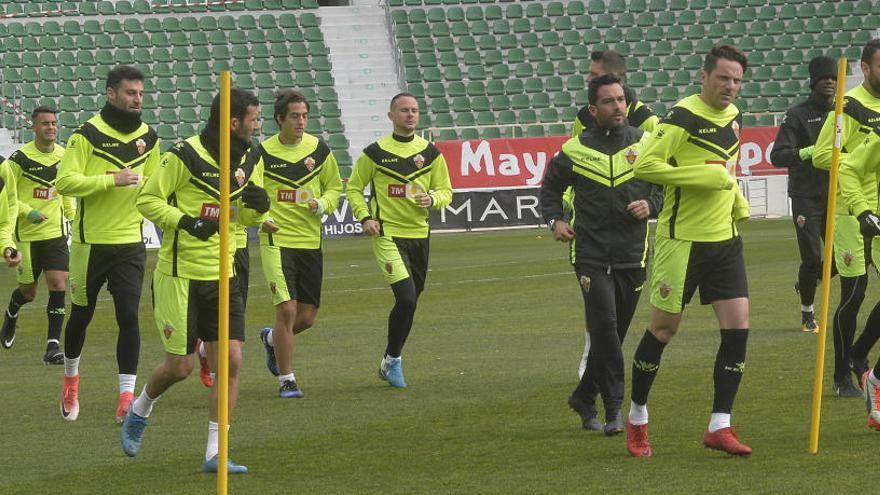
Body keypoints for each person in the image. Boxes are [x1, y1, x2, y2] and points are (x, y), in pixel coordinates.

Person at [120, 88, 268, 473]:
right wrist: (187, 222)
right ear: (234, 122)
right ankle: (141, 406)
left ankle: (215, 453)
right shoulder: (183, 155)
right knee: (181, 367)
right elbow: (148, 201)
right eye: (254, 118)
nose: (258, 125)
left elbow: (241, 219)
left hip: (224, 274)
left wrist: (257, 208)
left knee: (231, 361)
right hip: (179, 277)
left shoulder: (252, 157)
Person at [624, 45, 752, 457]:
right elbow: (644, 166)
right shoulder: (681, 116)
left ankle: (720, 425)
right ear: (704, 76)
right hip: (681, 241)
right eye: (723, 78)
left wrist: (735, 199)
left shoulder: (733, 116)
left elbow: (726, 172)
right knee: (664, 331)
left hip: (725, 240)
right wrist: (702, 176)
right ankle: (638, 417)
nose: (730, 86)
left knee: (737, 330)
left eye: (736, 80)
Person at [541, 75, 662, 435]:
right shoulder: (574, 150)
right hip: (590, 254)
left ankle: (583, 395)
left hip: (633, 255)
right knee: (605, 328)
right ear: (594, 110)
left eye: (621, 99)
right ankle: (613, 409)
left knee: (614, 335)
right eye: (609, 101)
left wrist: (651, 204)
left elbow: (665, 187)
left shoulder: (645, 144)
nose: (618, 106)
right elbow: (549, 189)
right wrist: (555, 220)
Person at [55, 66, 160, 422]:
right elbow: (65, 182)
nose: (137, 99)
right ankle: (71, 379)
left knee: (129, 316)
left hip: (131, 242)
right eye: (130, 93)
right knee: (80, 316)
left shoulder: (150, 136)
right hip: (89, 244)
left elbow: (156, 185)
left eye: (141, 94)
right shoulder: (86, 134)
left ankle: (126, 396)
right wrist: (111, 179)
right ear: (111, 93)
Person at [347, 93, 452, 388]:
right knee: (405, 297)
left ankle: (389, 360)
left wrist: (432, 198)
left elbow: (446, 191)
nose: (411, 115)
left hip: (420, 235)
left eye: (415, 110)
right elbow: (354, 188)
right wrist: (365, 217)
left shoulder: (430, 153)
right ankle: (394, 361)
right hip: (387, 234)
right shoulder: (375, 152)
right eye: (404, 110)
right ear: (391, 115)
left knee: (411, 302)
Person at [569, 50, 659, 381]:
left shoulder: (648, 120)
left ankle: (599, 371)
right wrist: (570, 205)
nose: (588, 80)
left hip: (632, 231)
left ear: (617, 80)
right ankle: (592, 355)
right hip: (593, 224)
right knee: (597, 300)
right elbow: (576, 157)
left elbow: (662, 166)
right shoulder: (585, 114)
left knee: (619, 309)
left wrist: (652, 204)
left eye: (592, 76)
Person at [254, 90, 342, 398]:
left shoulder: (319, 149)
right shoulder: (262, 152)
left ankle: (270, 341)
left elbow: (334, 187)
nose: (301, 121)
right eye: (294, 116)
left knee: (306, 318)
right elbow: (251, 191)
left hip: (310, 240)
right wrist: (261, 216)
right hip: (277, 240)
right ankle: (287, 379)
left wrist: (324, 203)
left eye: (304, 115)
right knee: (288, 311)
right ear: (280, 119)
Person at [813, 39, 880, 398]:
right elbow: (823, 155)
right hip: (848, 210)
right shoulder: (848, 106)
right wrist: (865, 150)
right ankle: (841, 375)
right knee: (854, 293)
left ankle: (859, 352)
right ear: (865, 69)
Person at [0, 107, 74, 364]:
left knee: (59, 284)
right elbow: (8, 199)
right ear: (33, 127)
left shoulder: (65, 156)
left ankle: (52, 347)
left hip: (55, 232)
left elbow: (66, 189)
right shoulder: (17, 161)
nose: (51, 127)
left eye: (54, 123)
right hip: (26, 236)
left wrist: (71, 215)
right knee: (28, 293)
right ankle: (11, 312)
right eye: (45, 123)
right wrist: (28, 211)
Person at [769, 57, 837, 335]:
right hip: (806, 197)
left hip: (837, 194)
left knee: (840, 260)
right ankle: (807, 313)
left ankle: (807, 280)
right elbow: (777, 155)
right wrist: (807, 153)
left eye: (834, 77)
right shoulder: (797, 115)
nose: (830, 82)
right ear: (814, 81)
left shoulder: (845, 113)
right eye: (825, 78)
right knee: (811, 259)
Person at [572, 50, 659, 137]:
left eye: (595, 75)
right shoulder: (583, 116)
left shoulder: (645, 119)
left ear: (615, 79)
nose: (588, 79)